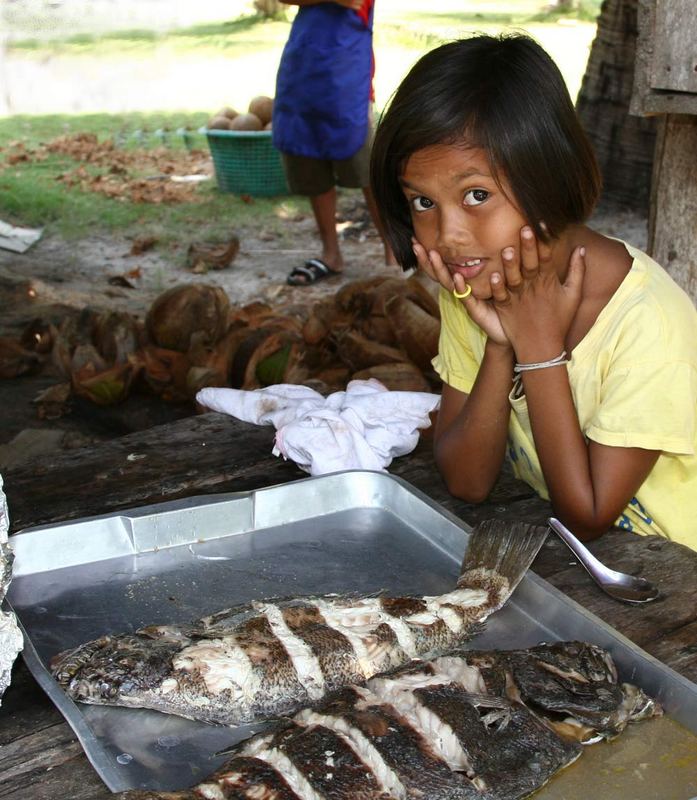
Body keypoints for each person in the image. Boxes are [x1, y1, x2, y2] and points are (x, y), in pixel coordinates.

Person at [370, 33, 697, 550]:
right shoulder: (475, 287)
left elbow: (588, 516)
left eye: (476, 195)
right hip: (578, 563)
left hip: (675, 582)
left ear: (549, 175)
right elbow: (467, 481)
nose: (449, 236)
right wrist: (503, 344)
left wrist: (539, 350)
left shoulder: (646, 321)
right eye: (422, 202)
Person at [273, 0, 396, 285]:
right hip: (304, 64)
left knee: (367, 167)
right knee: (309, 151)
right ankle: (331, 254)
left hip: (346, 67)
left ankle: (394, 252)